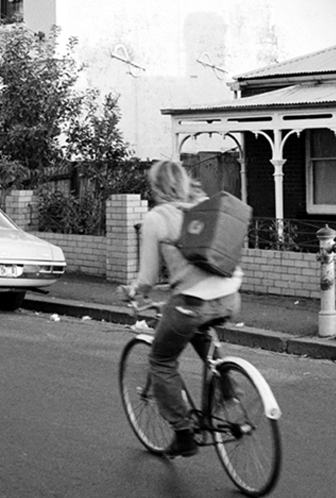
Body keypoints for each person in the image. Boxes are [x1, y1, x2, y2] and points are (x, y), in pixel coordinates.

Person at [118, 160, 243, 458]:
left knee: (161, 360)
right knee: (198, 331)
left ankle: (183, 432)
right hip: (230, 297)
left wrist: (133, 292)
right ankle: (228, 387)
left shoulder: (157, 218)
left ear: (156, 186)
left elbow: (147, 277)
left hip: (191, 302)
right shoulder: (206, 206)